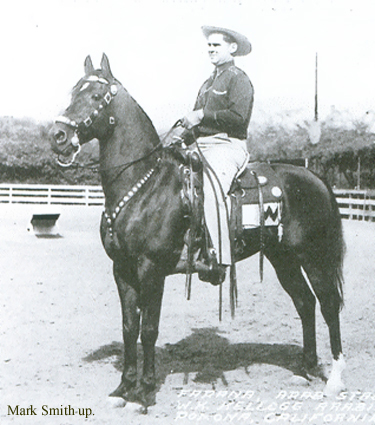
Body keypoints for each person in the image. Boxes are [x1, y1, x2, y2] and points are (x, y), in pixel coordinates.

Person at [179, 25, 254, 285]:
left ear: (232, 48)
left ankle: (220, 258)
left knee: (212, 189)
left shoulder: (238, 78)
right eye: (209, 45)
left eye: (217, 45)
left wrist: (202, 115)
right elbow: (195, 122)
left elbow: (238, 118)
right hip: (201, 144)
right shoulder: (207, 83)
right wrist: (182, 135)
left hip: (228, 146)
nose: (210, 49)